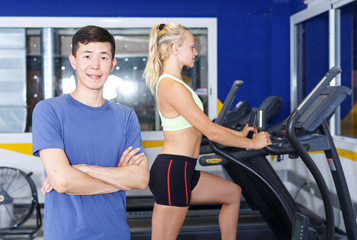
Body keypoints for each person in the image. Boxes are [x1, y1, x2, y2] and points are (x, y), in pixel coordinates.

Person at [143, 23, 272, 240]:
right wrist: (253, 143)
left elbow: (198, 125)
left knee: (232, 193)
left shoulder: (176, 83)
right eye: (192, 47)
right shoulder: (171, 86)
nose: (196, 52)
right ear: (175, 49)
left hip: (183, 169)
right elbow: (210, 131)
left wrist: (238, 136)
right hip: (173, 170)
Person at [32, 25, 149, 240]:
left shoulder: (126, 116)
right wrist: (120, 177)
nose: (95, 65)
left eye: (103, 57)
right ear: (74, 61)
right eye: (87, 56)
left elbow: (141, 179)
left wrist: (84, 169)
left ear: (112, 64)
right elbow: (62, 181)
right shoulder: (49, 110)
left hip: (116, 233)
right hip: (66, 235)